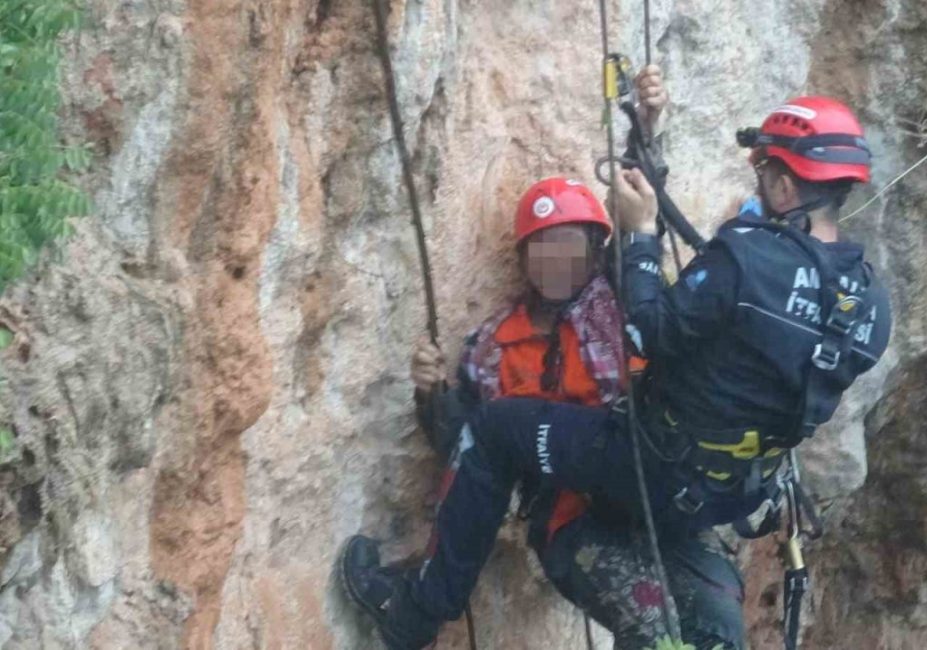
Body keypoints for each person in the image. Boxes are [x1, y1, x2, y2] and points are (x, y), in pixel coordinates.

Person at [343, 94, 893, 650]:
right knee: (699, 627)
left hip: (651, 464)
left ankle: (412, 614)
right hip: (723, 490)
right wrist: (645, 134)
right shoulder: (870, 307)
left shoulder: (738, 261)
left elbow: (648, 326)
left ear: (784, 187)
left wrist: (640, 234)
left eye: (765, 175)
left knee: (496, 434)